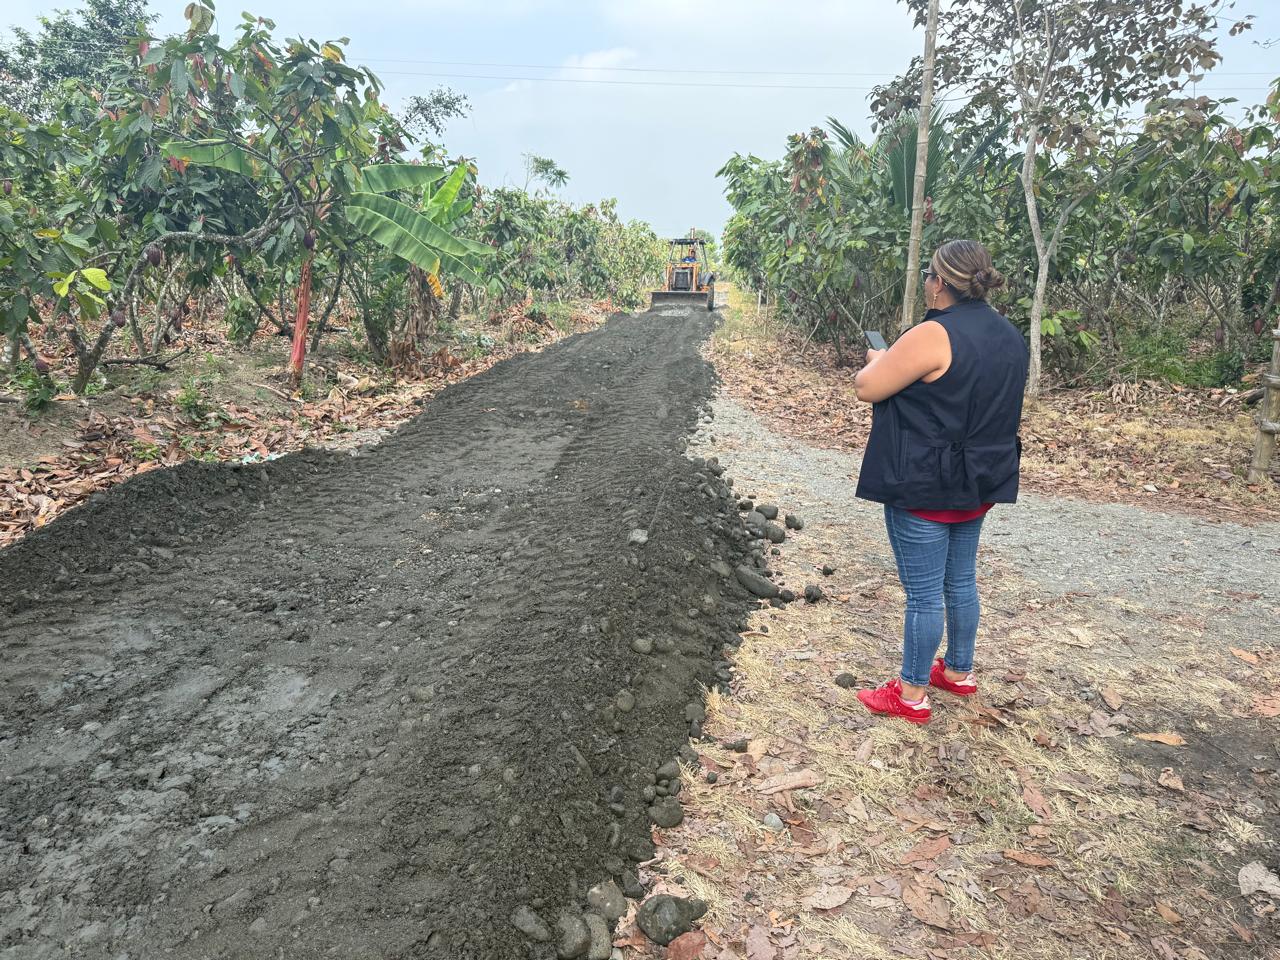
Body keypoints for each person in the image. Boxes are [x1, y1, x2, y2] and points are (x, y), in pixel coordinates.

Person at [851, 239, 1028, 724]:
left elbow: (868, 387)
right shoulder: (1009, 334)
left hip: (926, 482)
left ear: (941, 284)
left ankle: (910, 694)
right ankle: (958, 671)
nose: (928, 282)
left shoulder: (932, 334)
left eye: (930, 275)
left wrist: (878, 360)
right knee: (961, 579)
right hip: (979, 480)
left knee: (924, 594)